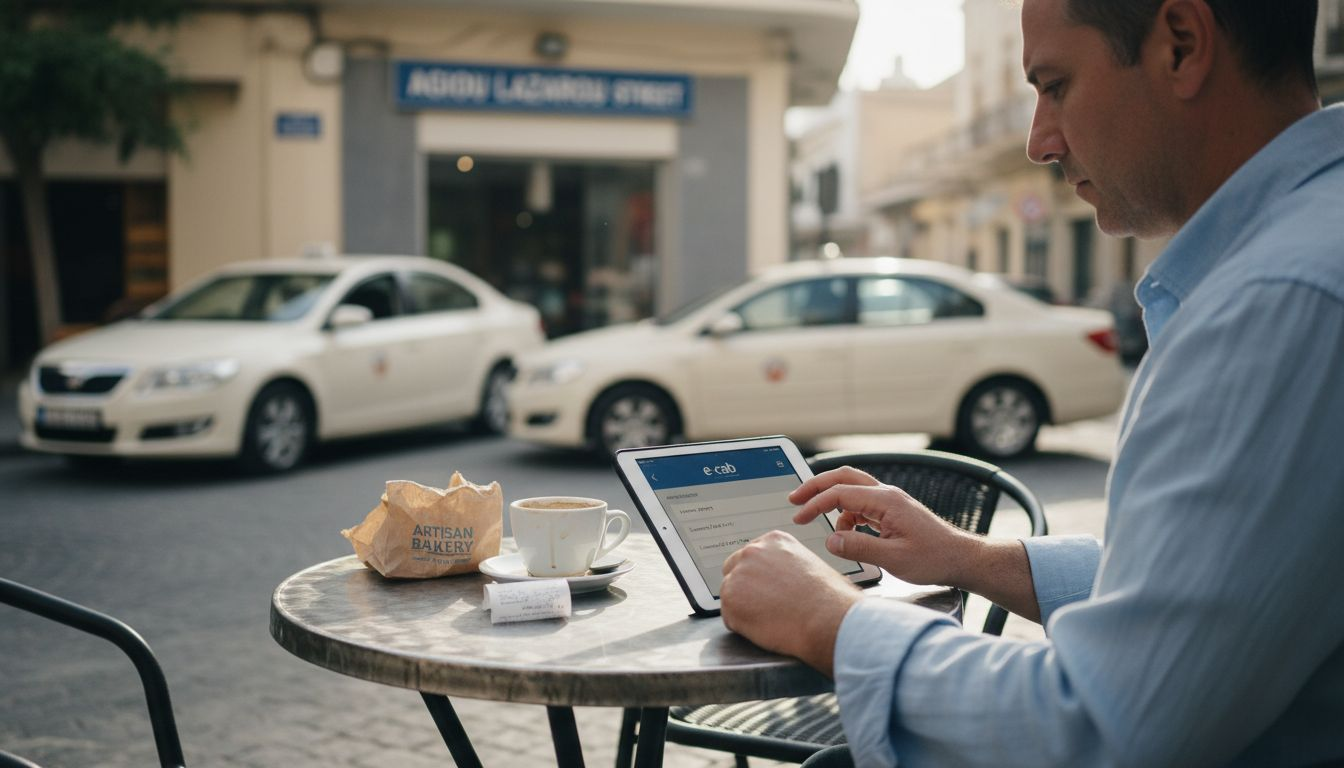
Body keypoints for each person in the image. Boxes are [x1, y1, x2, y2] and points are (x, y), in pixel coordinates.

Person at [719, 0, 1344, 765]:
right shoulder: (1306, 248)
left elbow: (1104, 725)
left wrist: (828, 620)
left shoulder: (1276, 302)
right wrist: (967, 558)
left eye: (1055, 84)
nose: (1039, 141)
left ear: (1182, 46)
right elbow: (1217, 595)